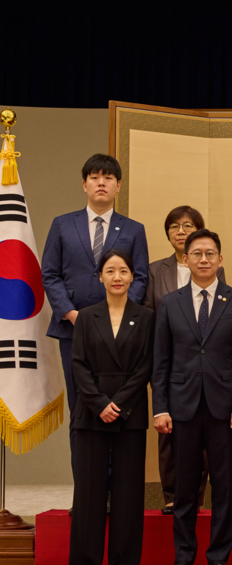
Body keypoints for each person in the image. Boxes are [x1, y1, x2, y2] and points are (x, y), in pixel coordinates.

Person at [152, 229, 232, 565]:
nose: (204, 259)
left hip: (225, 408)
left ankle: (219, 558)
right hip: (181, 407)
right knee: (185, 487)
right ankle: (183, 557)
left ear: (220, 260)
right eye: (196, 254)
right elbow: (160, 360)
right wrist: (160, 408)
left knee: (224, 485)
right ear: (185, 259)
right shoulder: (169, 302)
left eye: (211, 254)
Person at [41, 153, 149, 475]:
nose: (101, 182)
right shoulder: (62, 224)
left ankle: (117, 490)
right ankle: (87, 491)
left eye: (108, 178)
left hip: (122, 336)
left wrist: (124, 318)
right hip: (74, 330)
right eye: (94, 177)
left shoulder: (133, 229)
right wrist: (72, 314)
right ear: (84, 184)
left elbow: (140, 276)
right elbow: (50, 274)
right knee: (82, 410)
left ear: (118, 186)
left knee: (119, 408)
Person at [69, 249, 154, 565]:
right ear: (100, 277)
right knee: (88, 489)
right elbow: (78, 365)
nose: (117, 277)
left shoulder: (146, 317)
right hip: (91, 412)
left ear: (133, 277)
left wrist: (117, 403)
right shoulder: (86, 316)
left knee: (127, 489)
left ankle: (123, 562)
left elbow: (145, 366)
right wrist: (99, 403)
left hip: (129, 412)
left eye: (123, 271)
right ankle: (85, 563)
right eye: (110, 271)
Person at [144, 205, 223, 515]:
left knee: (203, 436)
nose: (181, 231)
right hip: (169, 360)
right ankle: (172, 494)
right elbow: (150, 314)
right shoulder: (154, 270)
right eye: (174, 226)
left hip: (204, 364)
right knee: (169, 433)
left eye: (188, 225)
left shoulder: (212, 267)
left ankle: (197, 495)